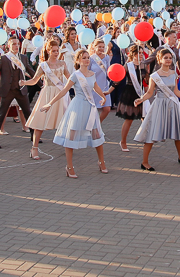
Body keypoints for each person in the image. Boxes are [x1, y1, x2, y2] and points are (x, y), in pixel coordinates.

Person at [41, 49, 108, 178]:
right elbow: (64, 90)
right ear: (78, 61)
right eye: (84, 58)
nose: (87, 60)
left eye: (88, 57)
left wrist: (103, 97)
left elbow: (96, 87)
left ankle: (101, 162)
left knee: (96, 134)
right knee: (71, 135)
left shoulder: (92, 74)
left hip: (90, 107)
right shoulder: (75, 75)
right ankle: (69, 167)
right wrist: (50, 103)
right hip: (77, 107)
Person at [133, 47, 180, 171]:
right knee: (152, 132)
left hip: (173, 105)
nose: (168, 60)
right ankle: (145, 162)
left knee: (178, 132)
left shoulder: (174, 73)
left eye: (170, 58)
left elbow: (176, 91)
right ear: (159, 59)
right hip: (159, 105)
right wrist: (141, 99)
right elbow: (150, 93)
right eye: (165, 58)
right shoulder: (154, 76)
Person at [21, 39, 70, 161]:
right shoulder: (43, 65)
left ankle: (68, 147)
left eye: (57, 50)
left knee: (66, 122)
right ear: (48, 51)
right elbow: (34, 80)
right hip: (47, 94)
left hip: (61, 93)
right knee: (40, 122)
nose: (56, 52)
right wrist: (24, 82)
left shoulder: (62, 63)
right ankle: (34, 148)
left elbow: (70, 78)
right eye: (53, 51)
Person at [0, 37, 32, 149]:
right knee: (1, 115)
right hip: (7, 91)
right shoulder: (4, 58)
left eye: (17, 44)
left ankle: (34, 136)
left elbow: (31, 71)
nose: (16, 46)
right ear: (8, 46)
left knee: (28, 113)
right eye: (13, 44)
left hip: (20, 90)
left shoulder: (23, 58)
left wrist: (41, 84)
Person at [113, 45, 144, 152]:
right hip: (130, 93)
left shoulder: (144, 64)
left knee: (145, 118)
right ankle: (123, 141)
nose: (140, 55)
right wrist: (109, 90)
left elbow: (148, 79)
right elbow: (118, 79)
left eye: (141, 53)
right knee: (129, 119)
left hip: (142, 94)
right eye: (138, 53)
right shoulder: (128, 65)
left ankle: (148, 140)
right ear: (133, 54)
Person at [88, 38, 114, 122]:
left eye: (103, 47)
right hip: (94, 87)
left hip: (104, 86)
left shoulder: (106, 57)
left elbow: (108, 71)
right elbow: (87, 72)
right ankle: (93, 127)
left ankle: (98, 125)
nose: (101, 49)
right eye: (99, 47)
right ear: (94, 47)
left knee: (107, 109)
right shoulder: (91, 58)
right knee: (93, 110)